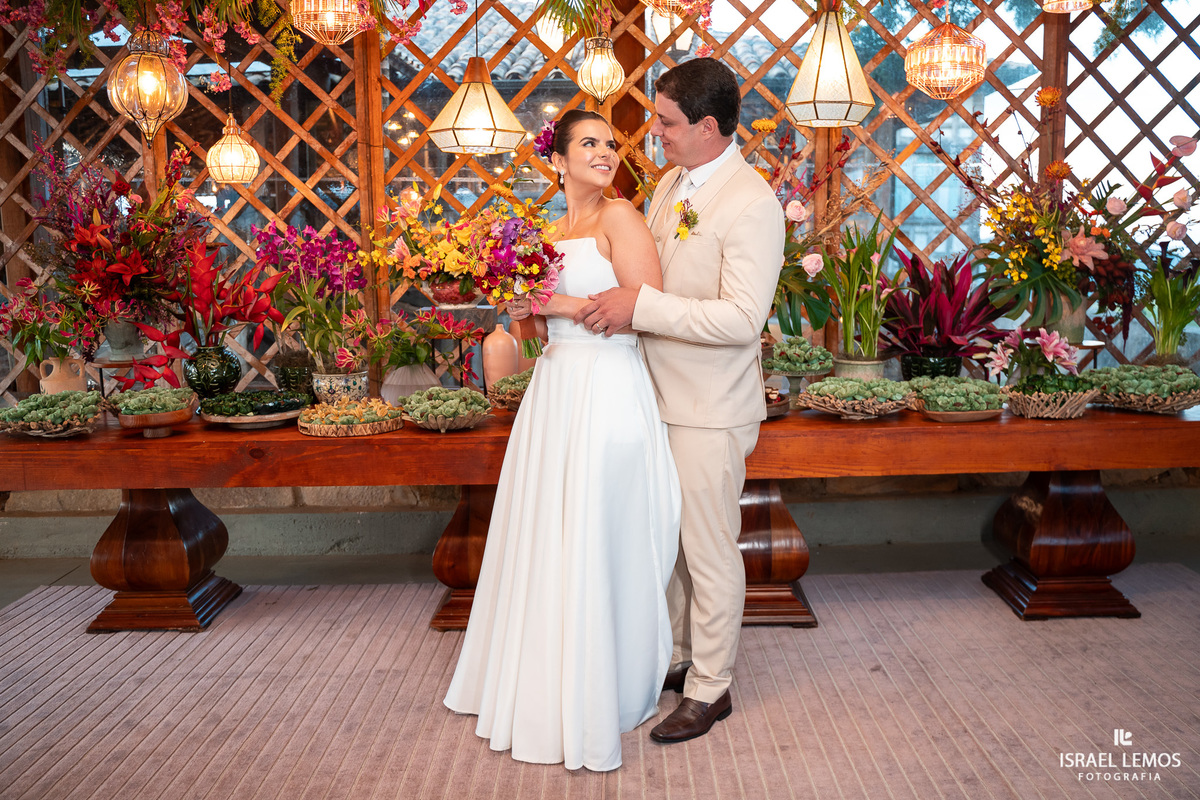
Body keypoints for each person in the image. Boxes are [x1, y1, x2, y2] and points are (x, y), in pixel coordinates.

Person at [443, 109, 682, 772]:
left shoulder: (620, 217)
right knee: (549, 531)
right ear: (558, 158)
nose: (606, 152)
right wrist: (523, 312)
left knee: (599, 529)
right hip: (555, 387)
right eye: (590, 143)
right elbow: (534, 330)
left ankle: (605, 682)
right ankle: (546, 674)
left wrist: (559, 305)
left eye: (611, 144)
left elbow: (644, 307)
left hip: (608, 388)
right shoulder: (546, 230)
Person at [575, 59, 786, 744]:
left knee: (708, 548)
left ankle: (711, 687)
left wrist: (644, 308)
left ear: (707, 126)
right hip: (650, 397)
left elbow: (741, 320)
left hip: (710, 406)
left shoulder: (753, 203)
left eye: (665, 122)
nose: (653, 134)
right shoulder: (669, 185)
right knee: (666, 543)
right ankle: (677, 656)